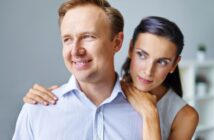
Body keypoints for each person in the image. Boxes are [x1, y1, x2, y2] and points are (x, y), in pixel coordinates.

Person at [23, 16, 199, 140]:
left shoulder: (185, 116)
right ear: (130, 49)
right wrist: (48, 98)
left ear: (174, 64)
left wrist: (150, 115)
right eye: (142, 55)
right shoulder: (112, 88)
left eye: (162, 62)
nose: (148, 71)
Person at [12, 0, 143, 140]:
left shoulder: (145, 112)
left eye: (87, 37)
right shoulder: (36, 111)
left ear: (117, 42)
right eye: (67, 39)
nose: (75, 51)